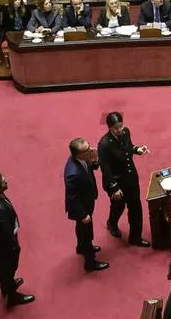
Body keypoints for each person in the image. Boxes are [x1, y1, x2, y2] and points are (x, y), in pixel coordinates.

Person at [97, 112, 151, 247]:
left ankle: (135, 237)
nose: (120, 130)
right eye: (116, 128)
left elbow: (128, 149)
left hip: (131, 178)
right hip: (117, 182)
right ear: (109, 128)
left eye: (121, 126)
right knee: (118, 207)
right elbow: (105, 168)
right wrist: (114, 188)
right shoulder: (104, 144)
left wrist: (137, 149)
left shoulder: (126, 132)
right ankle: (112, 223)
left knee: (136, 208)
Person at [0, 171, 34, 306]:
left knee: (3, 268)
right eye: (3, 182)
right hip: (5, 246)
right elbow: (5, 234)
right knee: (8, 267)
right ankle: (12, 296)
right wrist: (14, 247)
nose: (7, 182)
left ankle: (6, 286)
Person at [64, 138, 109, 272]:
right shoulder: (73, 173)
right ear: (78, 154)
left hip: (87, 200)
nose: (91, 150)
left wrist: (95, 160)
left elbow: (93, 167)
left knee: (81, 229)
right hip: (81, 207)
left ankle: (81, 247)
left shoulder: (82, 159)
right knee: (87, 233)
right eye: (87, 150)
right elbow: (72, 198)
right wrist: (83, 214)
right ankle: (90, 263)